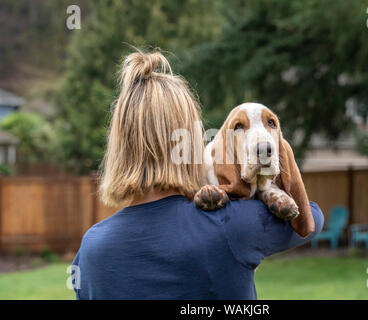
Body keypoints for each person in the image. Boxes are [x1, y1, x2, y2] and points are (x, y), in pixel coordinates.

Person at [71, 49, 324, 300]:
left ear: (119, 150)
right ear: (190, 146)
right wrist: (269, 189)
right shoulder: (232, 226)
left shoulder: (90, 250)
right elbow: (311, 217)